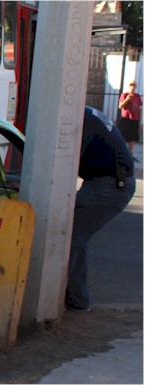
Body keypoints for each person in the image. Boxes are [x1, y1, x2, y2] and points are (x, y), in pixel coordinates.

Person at [65, 106, 136, 310]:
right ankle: (77, 300)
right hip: (113, 182)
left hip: (109, 184)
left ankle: (47, 304)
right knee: (77, 238)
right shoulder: (87, 113)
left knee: (66, 240)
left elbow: (67, 162)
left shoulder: (78, 118)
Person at [118, 80, 142, 159]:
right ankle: (122, 152)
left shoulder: (137, 96)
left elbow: (139, 108)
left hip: (134, 119)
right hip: (126, 118)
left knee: (132, 137)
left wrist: (139, 119)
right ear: (128, 87)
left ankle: (130, 153)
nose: (132, 87)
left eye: (134, 86)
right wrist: (127, 99)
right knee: (123, 136)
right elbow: (120, 106)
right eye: (131, 85)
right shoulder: (124, 95)